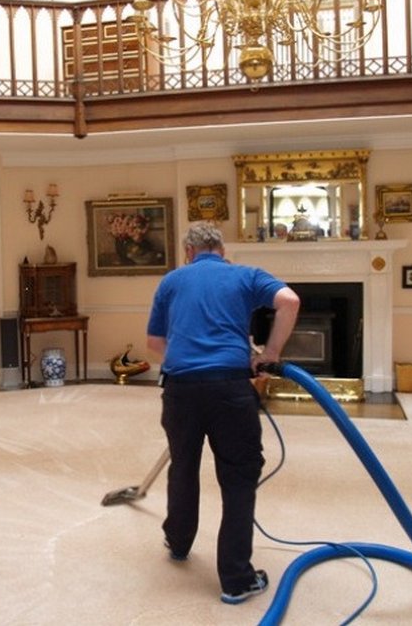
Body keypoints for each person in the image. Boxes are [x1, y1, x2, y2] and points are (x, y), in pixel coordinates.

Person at [146, 221, 300, 605]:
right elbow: (290, 301)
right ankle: (236, 579)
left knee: (182, 465)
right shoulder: (244, 275)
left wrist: (188, 362)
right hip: (231, 388)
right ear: (222, 250)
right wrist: (271, 354)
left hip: (180, 390)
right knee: (238, 476)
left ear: (188, 252)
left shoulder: (172, 281)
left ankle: (178, 542)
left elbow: (154, 342)